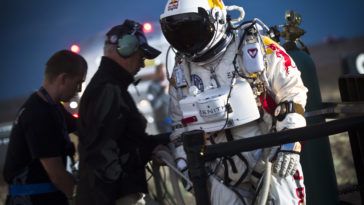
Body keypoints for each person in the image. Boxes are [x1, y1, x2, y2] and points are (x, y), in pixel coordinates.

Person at [160, 0, 308, 204]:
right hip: (219, 172)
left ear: (216, 19)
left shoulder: (254, 47)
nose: (187, 40)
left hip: (270, 158)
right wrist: (188, 168)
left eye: (192, 30)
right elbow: (179, 127)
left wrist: (290, 141)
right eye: (179, 34)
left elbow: (292, 91)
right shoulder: (181, 71)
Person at [75, 19, 170, 205]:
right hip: (115, 195)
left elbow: (125, 143)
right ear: (125, 49)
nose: (142, 65)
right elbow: (102, 153)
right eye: (141, 57)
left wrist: (162, 142)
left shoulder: (112, 88)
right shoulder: (107, 90)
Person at [3, 50, 87, 205]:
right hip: (32, 200)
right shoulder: (38, 114)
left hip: (47, 198)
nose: (79, 89)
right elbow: (57, 175)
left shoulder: (53, 107)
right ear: (63, 78)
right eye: (78, 83)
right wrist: (80, 197)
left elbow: (82, 128)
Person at [139, 63, 171, 133]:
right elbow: (155, 105)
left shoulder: (170, 83)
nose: (164, 74)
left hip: (173, 118)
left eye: (165, 72)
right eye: (162, 72)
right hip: (163, 120)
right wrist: (163, 92)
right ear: (158, 73)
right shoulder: (153, 87)